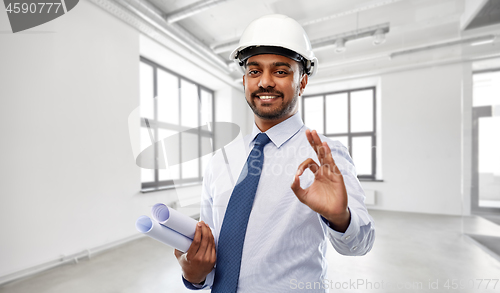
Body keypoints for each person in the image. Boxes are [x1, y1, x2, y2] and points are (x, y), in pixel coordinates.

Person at [175, 14, 375, 292]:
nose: (265, 82)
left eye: (281, 71)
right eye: (254, 71)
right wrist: (193, 273)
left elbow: (360, 245)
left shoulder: (326, 157)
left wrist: (340, 218)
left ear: (302, 82)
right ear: (245, 80)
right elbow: (207, 255)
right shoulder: (221, 160)